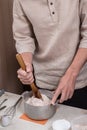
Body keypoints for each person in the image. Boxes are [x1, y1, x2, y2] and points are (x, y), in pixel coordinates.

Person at [13, 0, 87, 109]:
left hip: (78, 80)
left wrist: (72, 74)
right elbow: (23, 37)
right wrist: (27, 65)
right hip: (40, 80)